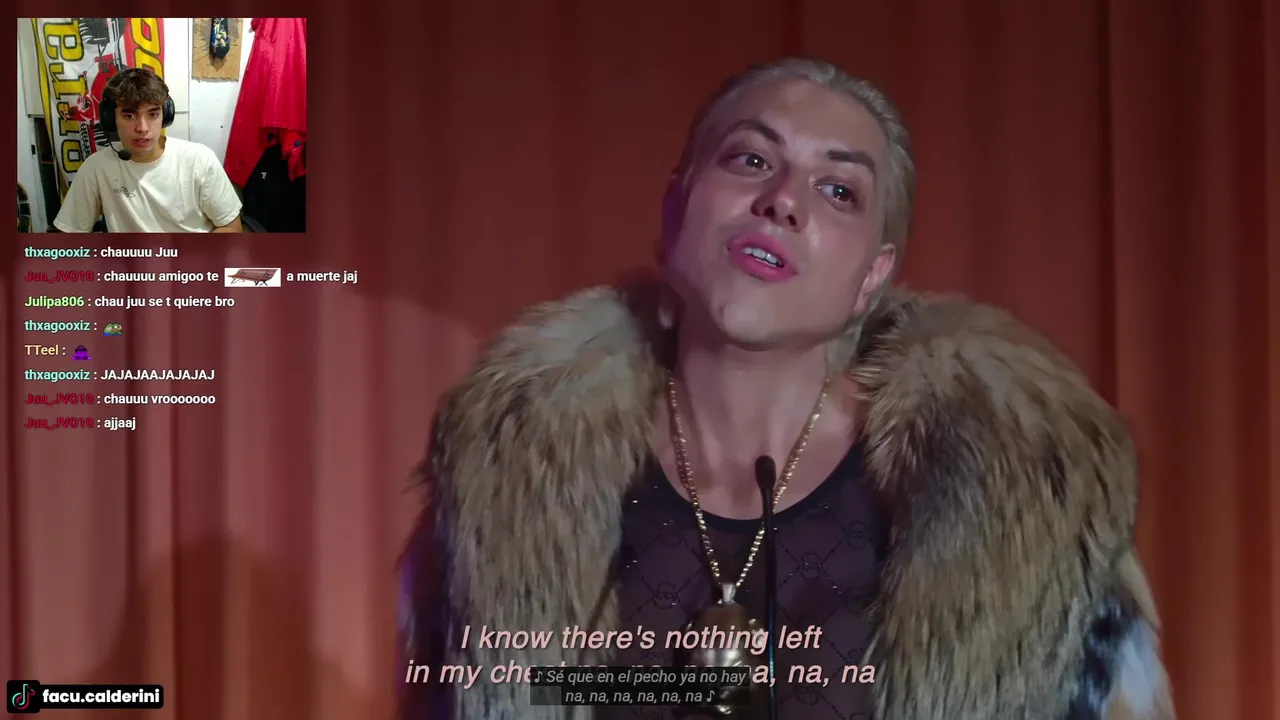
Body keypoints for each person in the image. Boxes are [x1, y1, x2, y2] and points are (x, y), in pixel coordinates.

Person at [400, 57, 1176, 719]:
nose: (783, 201)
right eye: (750, 160)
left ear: (872, 276)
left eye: (839, 191)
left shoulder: (1020, 500)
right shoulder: (502, 491)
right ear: (676, 208)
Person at [52, 67, 243, 233]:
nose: (142, 128)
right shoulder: (96, 167)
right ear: (111, 119)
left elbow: (231, 228)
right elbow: (71, 234)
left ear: (165, 116)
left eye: (153, 114)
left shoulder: (199, 159)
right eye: (129, 116)